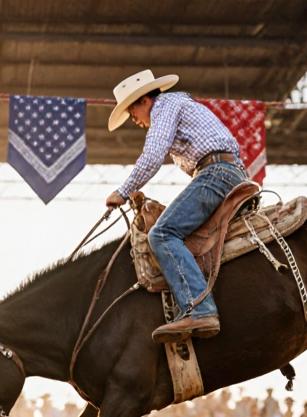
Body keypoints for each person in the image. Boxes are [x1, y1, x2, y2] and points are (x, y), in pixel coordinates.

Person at [104, 69, 246, 343]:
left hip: (215, 174)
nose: (134, 119)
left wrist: (123, 191)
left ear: (144, 100)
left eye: (132, 111)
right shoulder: (181, 104)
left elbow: (153, 154)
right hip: (226, 171)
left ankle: (198, 308)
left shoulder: (164, 107)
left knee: (162, 233)